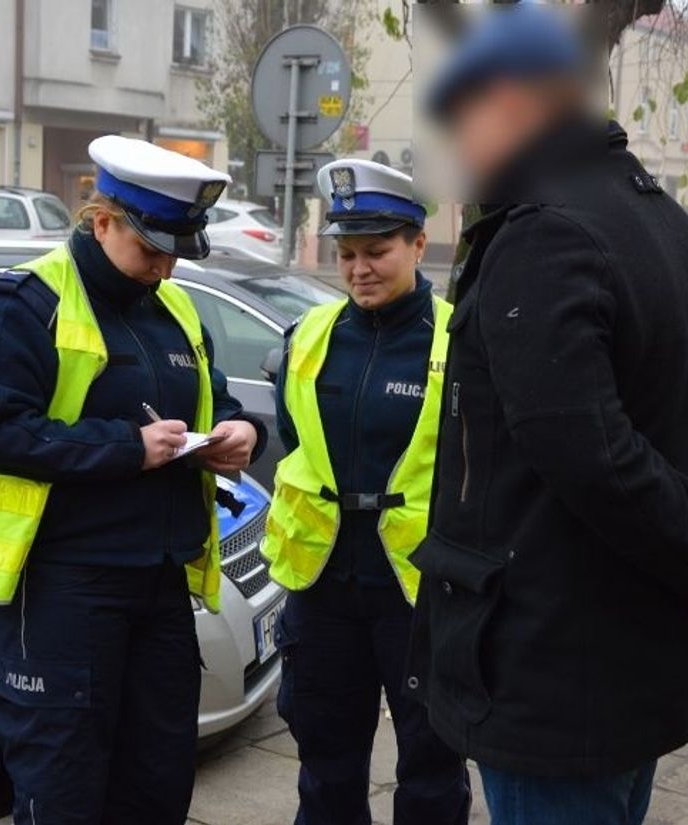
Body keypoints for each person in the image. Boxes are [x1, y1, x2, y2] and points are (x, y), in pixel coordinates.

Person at [408, 7, 688, 825]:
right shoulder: (664, 220)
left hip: (553, 680)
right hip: (630, 676)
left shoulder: (542, 236)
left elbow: (592, 454)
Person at [0, 135, 266, 825]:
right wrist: (128, 447)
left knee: (157, 783)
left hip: (158, 584)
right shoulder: (26, 304)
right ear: (102, 221)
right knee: (63, 785)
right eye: (150, 249)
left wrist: (244, 432)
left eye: (173, 254)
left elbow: (216, 401)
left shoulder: (176, 310)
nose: (162, 268)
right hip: (65, 584)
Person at [262, 158, 470, 825]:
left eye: (377, 250)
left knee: (432, 771)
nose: (359, 268)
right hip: (323, 592)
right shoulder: (309, 337)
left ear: (417, 243)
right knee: (325, 771)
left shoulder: (460, 341)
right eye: (346, 253)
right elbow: (298, 444)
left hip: (420, 597)